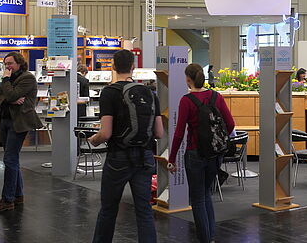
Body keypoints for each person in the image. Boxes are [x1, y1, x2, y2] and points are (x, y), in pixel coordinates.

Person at [89, 49, 163, 243]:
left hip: (118, 158)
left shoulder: (109, 93)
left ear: (113, 66)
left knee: (108, 209)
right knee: (144, 210)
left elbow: (106, 133)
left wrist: (93, 140)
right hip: (144, 158)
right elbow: (159, 133)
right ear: (133, 66)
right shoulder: (149, 93)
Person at [167, 63, 235, 243]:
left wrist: (171, 158)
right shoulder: (216, 96)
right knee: (206, 195)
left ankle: (205, 239)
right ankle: (211, 237)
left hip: (194, 153)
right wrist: (219, 141)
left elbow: (180, 132)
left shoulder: (186, 101)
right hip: (214, 154)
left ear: (188, 79)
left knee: (197, 199)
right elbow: (230, 124)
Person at [0, 51, 42, 213]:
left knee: (9, 159)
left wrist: (7, 84)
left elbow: (10, 93)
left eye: (10, 63)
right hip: (5, 122)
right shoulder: (10, 79)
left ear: (19, 63)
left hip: (18, 124)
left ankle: (7, 200)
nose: (7, 66)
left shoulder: (27, 78)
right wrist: (11, 99)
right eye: (5, 64)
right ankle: (18, 196)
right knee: (12, 160)